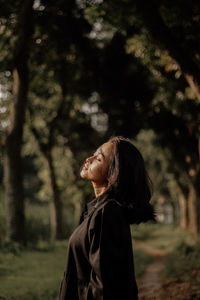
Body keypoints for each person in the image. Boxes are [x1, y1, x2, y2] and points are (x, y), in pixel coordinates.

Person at [59, 136, 155, 300]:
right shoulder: (96, 210)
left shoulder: (107, 213)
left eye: (98, 158)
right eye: (93, 154)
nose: (89, 159)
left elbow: (104, 289)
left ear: (113, 174)